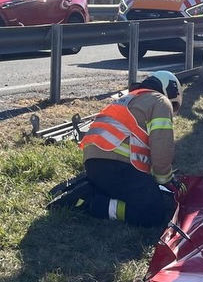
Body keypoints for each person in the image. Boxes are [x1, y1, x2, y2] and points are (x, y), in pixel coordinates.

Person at [52, 71, 183, 226]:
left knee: (130, 191)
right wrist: (165, 179)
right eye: (174, 104)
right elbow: (162, 146)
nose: (172, 109)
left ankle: (86, 187)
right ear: (171, 90)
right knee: (153, 212)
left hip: (94, 163)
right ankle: (90, 201)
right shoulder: (160, 101)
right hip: (119, 166)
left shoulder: (128, 98)